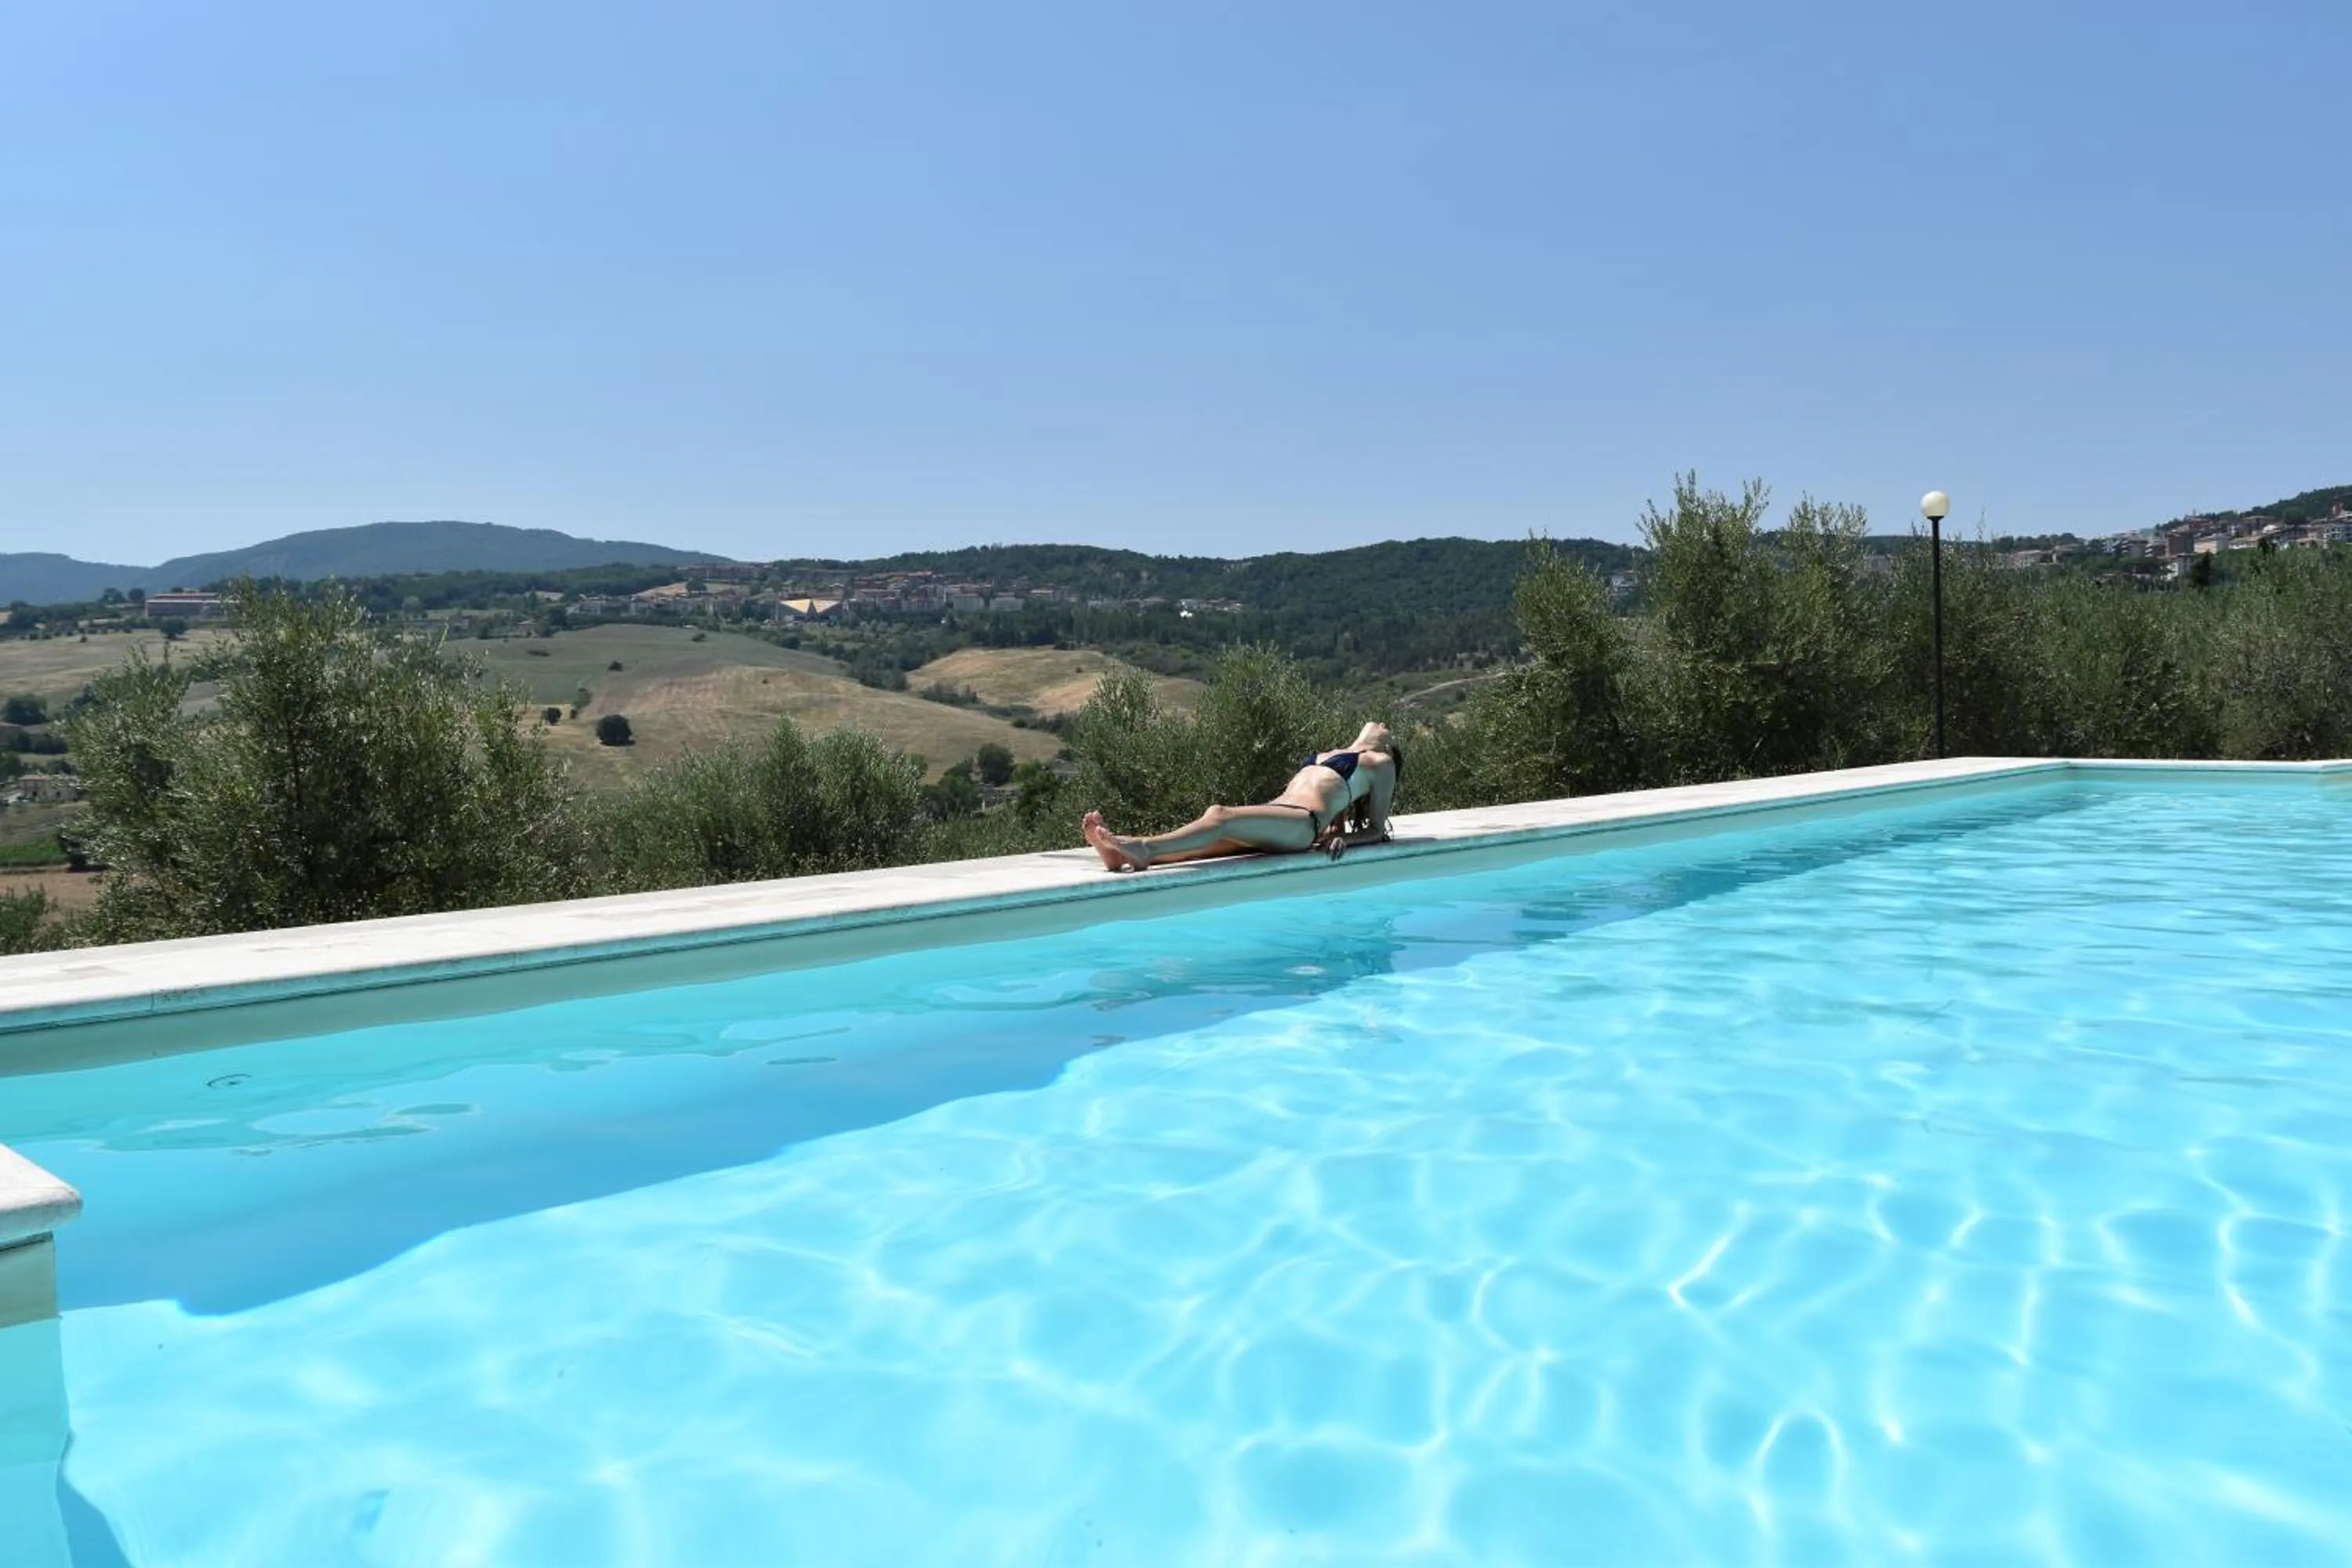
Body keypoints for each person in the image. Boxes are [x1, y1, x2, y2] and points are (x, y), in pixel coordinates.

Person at [1082, 721, 1404, 872]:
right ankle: (1119, 858)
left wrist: (1350, 841)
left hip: (1301, 824)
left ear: (1387, 745)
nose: (1383, 723)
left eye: (1388, 729)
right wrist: (1338, 833)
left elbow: (1376, 829)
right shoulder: (1335, 752)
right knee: (1197, 849)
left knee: (1219, 814)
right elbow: (1335, 811)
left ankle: (1142, 847)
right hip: (1280, 814)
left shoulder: (1380, 762)